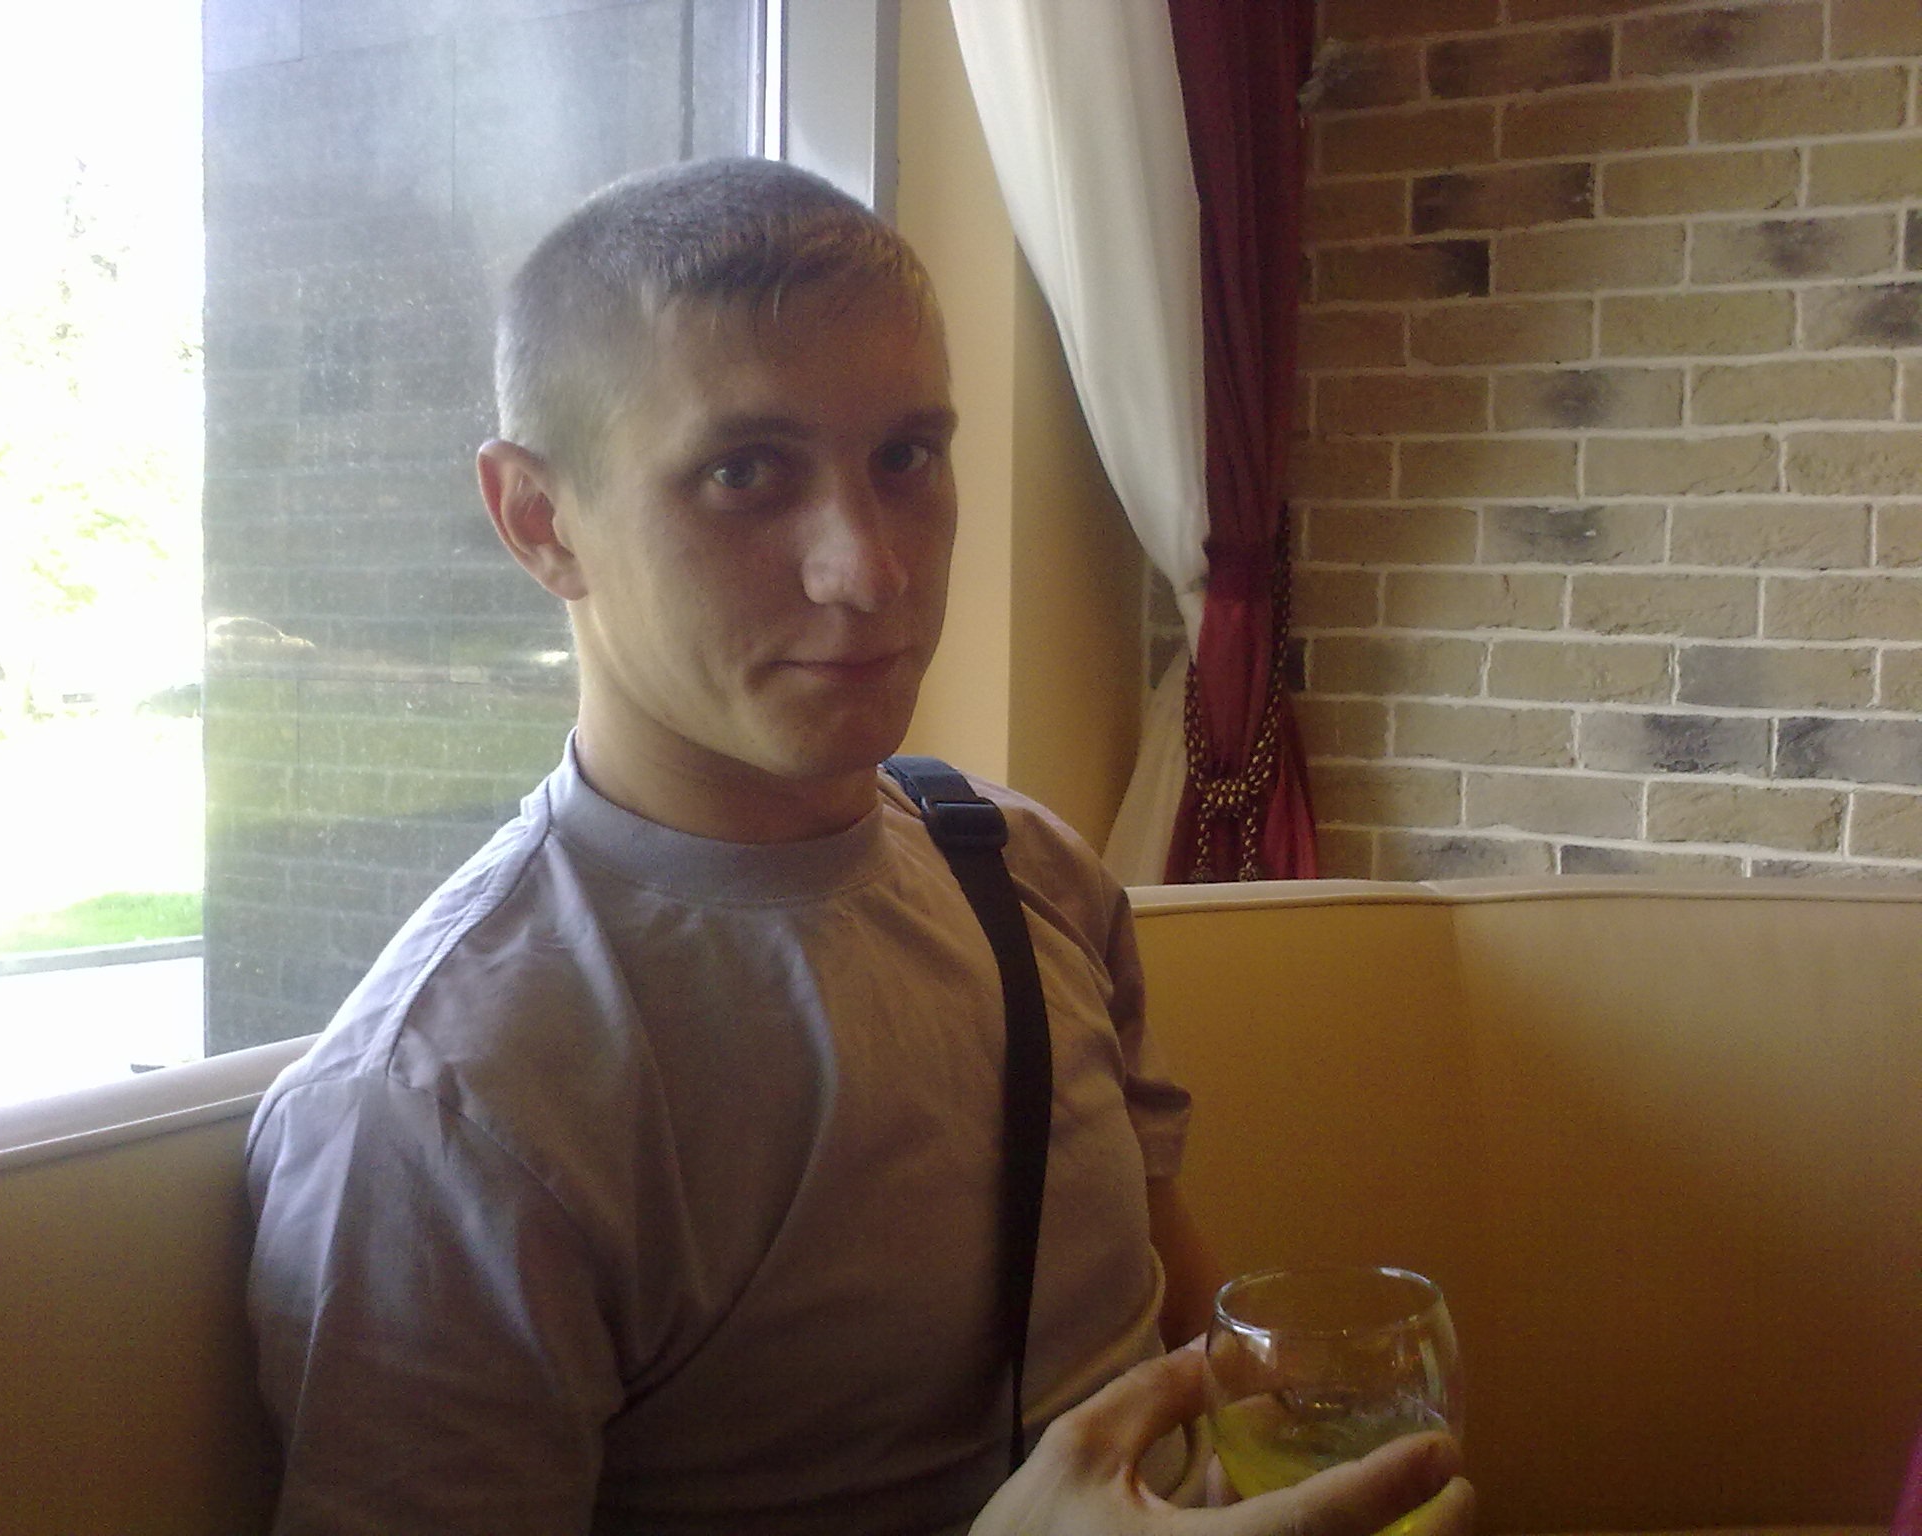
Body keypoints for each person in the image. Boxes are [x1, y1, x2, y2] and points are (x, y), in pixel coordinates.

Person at [244, 157, 1470, 1536]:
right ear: (541, 521)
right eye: (745, 474)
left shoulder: (1027, 871)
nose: (871, 570)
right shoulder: (448, 1105)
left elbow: (1184, 1353)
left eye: (907, 460)